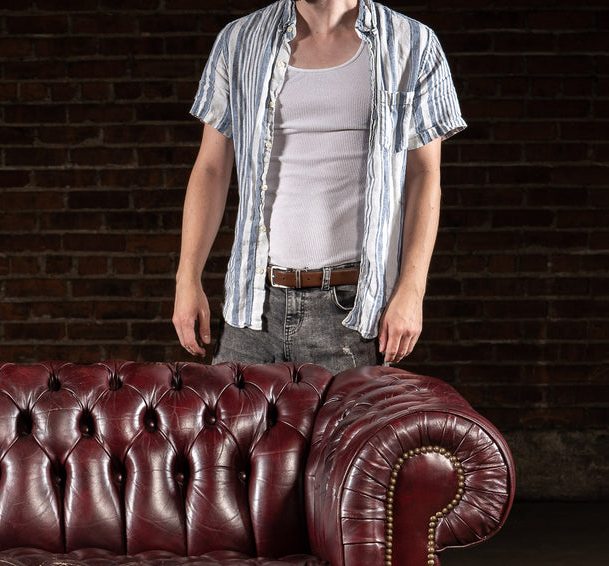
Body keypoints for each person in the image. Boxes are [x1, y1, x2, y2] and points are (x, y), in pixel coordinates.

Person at [172, 0, 465, 371]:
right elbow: (212, 168)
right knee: (236, 431)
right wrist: (187, 278)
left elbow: (425, 175)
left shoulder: (413, 43)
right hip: (253, 306)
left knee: (347, 432)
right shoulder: (239, 40)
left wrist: (412, 290)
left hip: (353, 312)